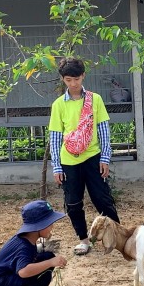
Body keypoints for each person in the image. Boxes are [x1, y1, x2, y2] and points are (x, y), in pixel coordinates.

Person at [48, 57, 120, 256]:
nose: (73, 84)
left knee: (102, 198)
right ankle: (84, 240)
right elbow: (55, 137)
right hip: (68, 161)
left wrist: (105, 157)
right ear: (63, 80)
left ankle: (117, 237)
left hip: (93, 157)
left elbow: (103, 129)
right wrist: (57, 166)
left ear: (83, 76)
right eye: (69, 80)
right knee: (72, 203)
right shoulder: (58, 105)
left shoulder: (95, 99)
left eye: (77, 79)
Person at [0, 200, 67, 286]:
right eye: (49, 223)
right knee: (44, 274)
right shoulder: (23, 246)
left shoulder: (28, 239)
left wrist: (49, 259)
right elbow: (24, 271)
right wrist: (50, 262)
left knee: (47, 256)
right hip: (3, 285)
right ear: (39, 225)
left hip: (8, 278)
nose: (52, 227)